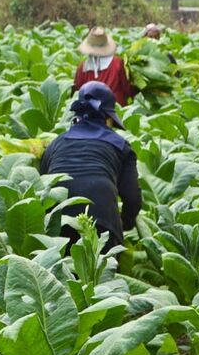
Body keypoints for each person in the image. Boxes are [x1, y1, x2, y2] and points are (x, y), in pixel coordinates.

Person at [40, 81, 141, 253]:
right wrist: (125, 225)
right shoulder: (121, 146)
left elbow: (42, 184)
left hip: (57, 221)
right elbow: (132, 198)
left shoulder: (56, 143)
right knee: (102, 276)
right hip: (102, 219)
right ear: (107, 118)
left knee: (56, 275)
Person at [73, 26, 136, 106]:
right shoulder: (118, 63)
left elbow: (77, 93)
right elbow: (128, 89)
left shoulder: (82, 68)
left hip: (91, 113)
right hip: (115, 110)